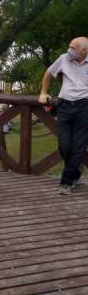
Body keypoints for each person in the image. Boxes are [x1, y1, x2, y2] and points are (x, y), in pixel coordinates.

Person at [39, 36, 88, 195]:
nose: (69, 50)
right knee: (64, 145)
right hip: (64, 105)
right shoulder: (63, 58)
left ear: (84, 51)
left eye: (73, 48)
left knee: (79, 146)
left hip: (84, 106)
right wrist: (43, 92)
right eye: (69, 46)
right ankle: (76, 172)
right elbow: (48, 73)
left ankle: (66, 182)